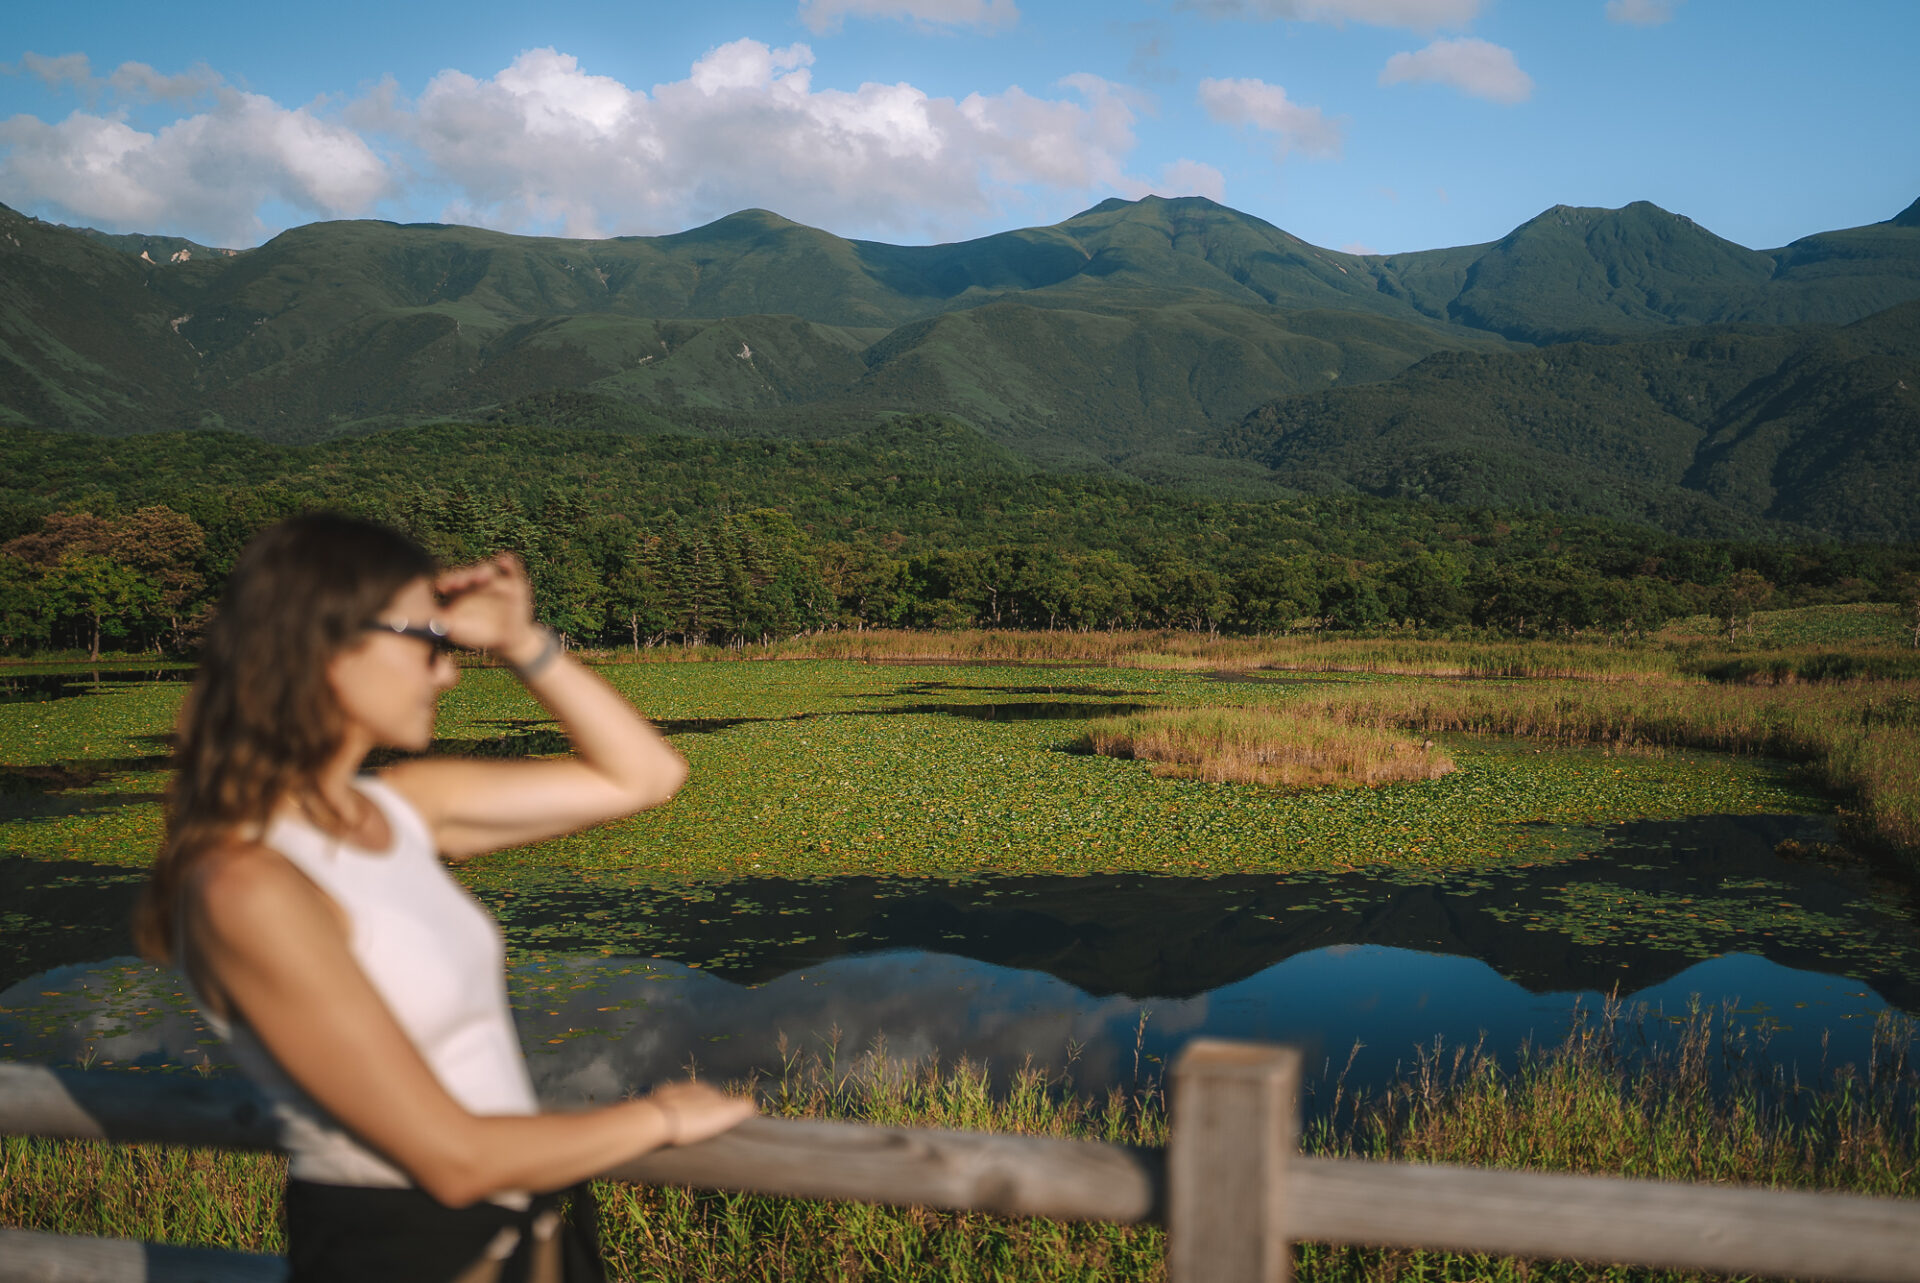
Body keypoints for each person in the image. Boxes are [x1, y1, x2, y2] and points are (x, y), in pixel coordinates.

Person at [132, 513, 753, 1282]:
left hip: (533, 1229)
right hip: (405, 1247)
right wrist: (660, 1116)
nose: (448, 672)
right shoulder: (244, 885)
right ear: (329, 645)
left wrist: (525, 644)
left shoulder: (403, 808)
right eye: (428, 642)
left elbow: (645, 776)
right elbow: (452, 1158)